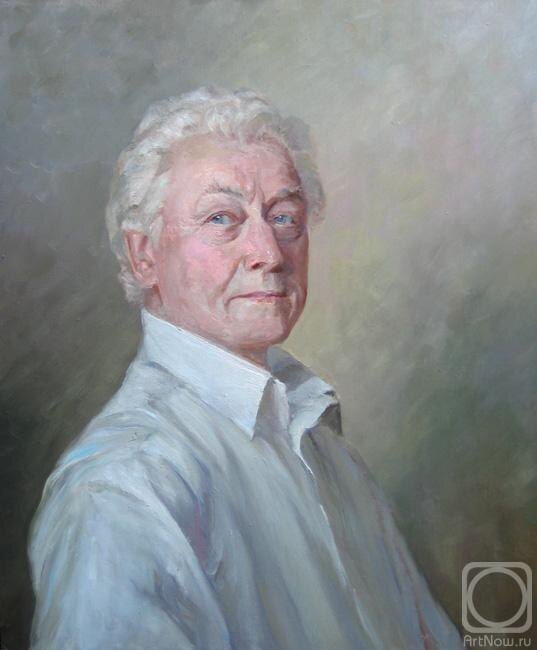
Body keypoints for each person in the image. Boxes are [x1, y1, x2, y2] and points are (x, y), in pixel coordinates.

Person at [28, 86, 462, 649]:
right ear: (144, 255)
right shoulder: (122, 487)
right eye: (221, 218)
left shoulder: (324, 449)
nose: (270, 253)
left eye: (284, 217)